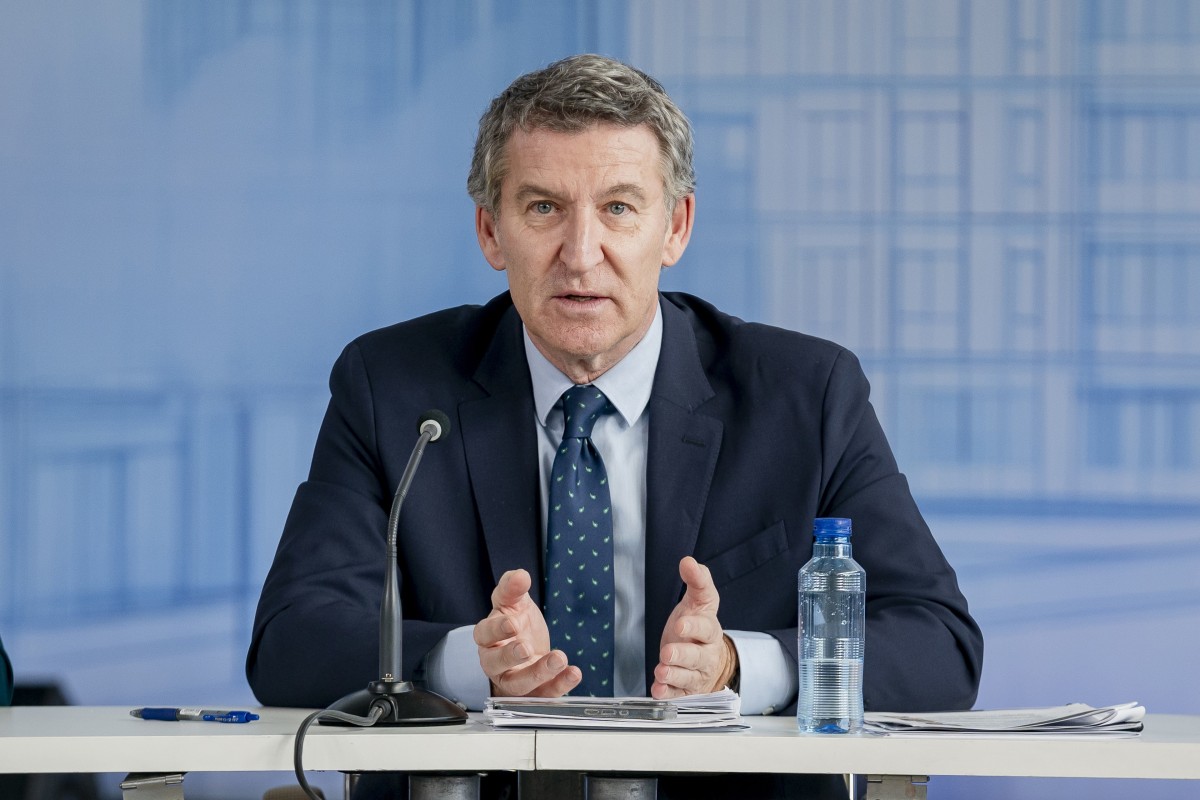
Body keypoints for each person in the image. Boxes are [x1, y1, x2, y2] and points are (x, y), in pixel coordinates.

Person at [247, 53, 983, 799]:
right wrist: (469, 662)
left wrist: (738, 666)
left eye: (619, 208)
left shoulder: (804, 395)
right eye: (543, 208)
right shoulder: (394, 390)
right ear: (491, 232)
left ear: (676, 228)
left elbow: (940, 646)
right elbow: (291, 640)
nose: (580, 254)